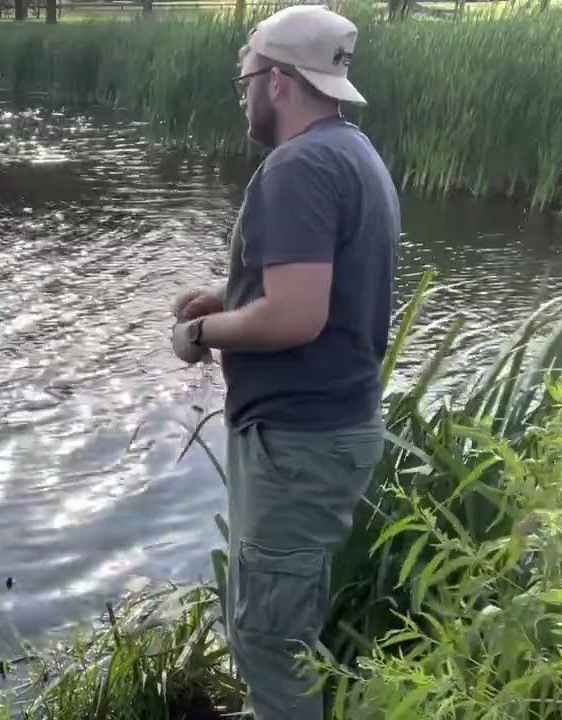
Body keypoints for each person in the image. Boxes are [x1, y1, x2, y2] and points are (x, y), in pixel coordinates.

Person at [168, 5, 399, 719]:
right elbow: (321, 285)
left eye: (243, 81)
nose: (240, 95)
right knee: (285, 624)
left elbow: (297, 317)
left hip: (297, 443)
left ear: (276, 82)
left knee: (268, 638)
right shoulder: (353, 151)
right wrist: (231, 291)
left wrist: (203, 333)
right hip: (328, 430)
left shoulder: (296, 167)